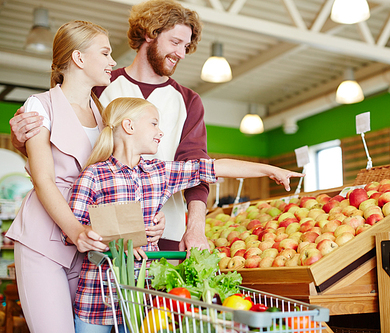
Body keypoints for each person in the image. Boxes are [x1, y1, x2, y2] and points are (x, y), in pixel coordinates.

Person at [69, 97, 304, 331]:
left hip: (142, 299)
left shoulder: (159, 172)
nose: (161, 132)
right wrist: (104, 236)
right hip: (97, 298)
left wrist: (269, 169)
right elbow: (72, 233)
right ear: (129, 126)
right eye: (154, 123)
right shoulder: (92, 176)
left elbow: (212, 167)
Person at [10, 0, 214, 256]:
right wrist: (21, 142)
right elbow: (65, 152)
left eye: (186, 46)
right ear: (150, 34)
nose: (182, 54)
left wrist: (195, 227)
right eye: (175, 43)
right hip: (107, 231)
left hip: (168, 230)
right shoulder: (98, 85)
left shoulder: (188, 101)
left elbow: (197, 167)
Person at [5, 21, 165, 333]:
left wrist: (148, 220)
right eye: (105, 53)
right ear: (79, 58)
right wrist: (77, 231)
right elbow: (43, 180)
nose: (112, 61)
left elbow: (117, 179)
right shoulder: (40, 106)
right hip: (47, 240)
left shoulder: (103, 111)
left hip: (93, 245)